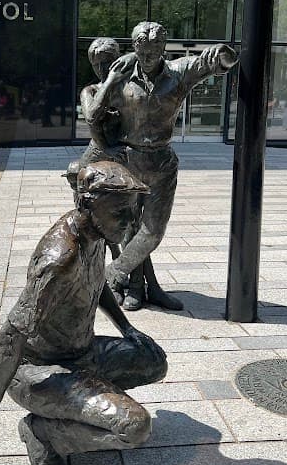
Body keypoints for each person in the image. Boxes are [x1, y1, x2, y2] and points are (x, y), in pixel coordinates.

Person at [0, 160, 167, 465]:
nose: (130, 222)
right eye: (121, 212)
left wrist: (128, 329)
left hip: (81, 352)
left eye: (133, 211)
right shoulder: (59, 259)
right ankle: (43, 433)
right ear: (88, 204)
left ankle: (85, 407)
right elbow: (10, 337)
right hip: (39, 371)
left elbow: (97, 284)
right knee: (135, 427)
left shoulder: (96, 234)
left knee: (153, 362)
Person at [99, 22, 238, 310]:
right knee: (130, 229)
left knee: (152, 231)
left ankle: (113, 273)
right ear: (134, 46)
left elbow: (220, 62)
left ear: (163, 48)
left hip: (161, 163)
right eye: (142, 50)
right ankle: (138, 288)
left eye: (154, 50)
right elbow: (96, 106)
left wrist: (220, 53)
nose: (148, 56)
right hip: (128, 160)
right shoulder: (122, 73)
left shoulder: (179, 72)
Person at [79, 37, 173, 311]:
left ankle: (140, 287)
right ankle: (127, 286)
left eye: (107, 62)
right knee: (114, 233)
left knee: (135, 228)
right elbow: (92, 117)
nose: (102, 68)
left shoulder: (128, 90)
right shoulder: (92, 90)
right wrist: (110, 80)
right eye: (96, 64)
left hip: (123, 167)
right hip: (97, 170)